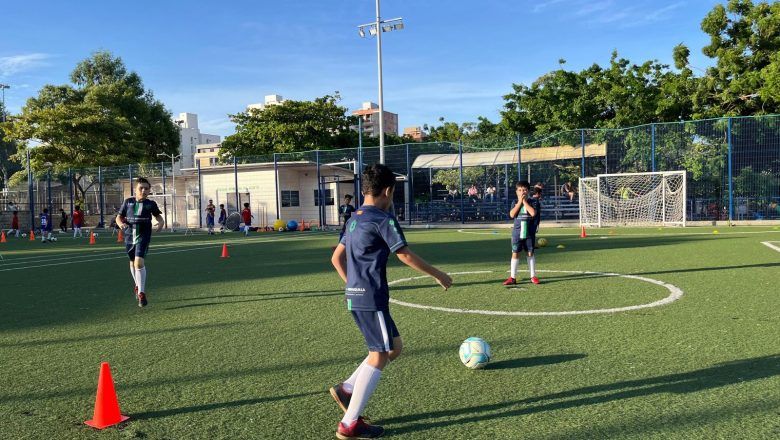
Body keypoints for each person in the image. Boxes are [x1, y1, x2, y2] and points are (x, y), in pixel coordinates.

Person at [329, 164, 452, 439]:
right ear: (388, 191)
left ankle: (347, 388)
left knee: (394, 347)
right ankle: (350, 423)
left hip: (357, 296)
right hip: (371, 297)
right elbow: (404, 255)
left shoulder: (353, 219)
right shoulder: (383, 219)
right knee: (379, 355)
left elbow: (336, 258)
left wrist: (353, 285)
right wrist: (438, 274)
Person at [116, 177, 164, 307]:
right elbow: (119, 217)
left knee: (139, 262)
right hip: (129, 236)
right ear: (135, 189)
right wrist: (121, 224)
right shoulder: (128, 202)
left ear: (149, 191)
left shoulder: (151, 204)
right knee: (132, 262)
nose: (143, 190)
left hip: (143, 235)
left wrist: (161, 222)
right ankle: (137, 285)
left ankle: (142, 293)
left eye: (146, 188)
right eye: (141, 188)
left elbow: (158, 215)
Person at [503, 181, 541, 286]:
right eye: (519, 190)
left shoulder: (533, 201)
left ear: (528, 191)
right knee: (515, 253)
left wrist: (524, 202)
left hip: (529, 233)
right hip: (517, 233)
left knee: (530, 253)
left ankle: (533, 276)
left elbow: (533, 213)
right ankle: (512, 277)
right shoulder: (515, 201)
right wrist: (519, 202)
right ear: (516, 192)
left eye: (524, 190)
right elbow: (512, 214)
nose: (522, 192)